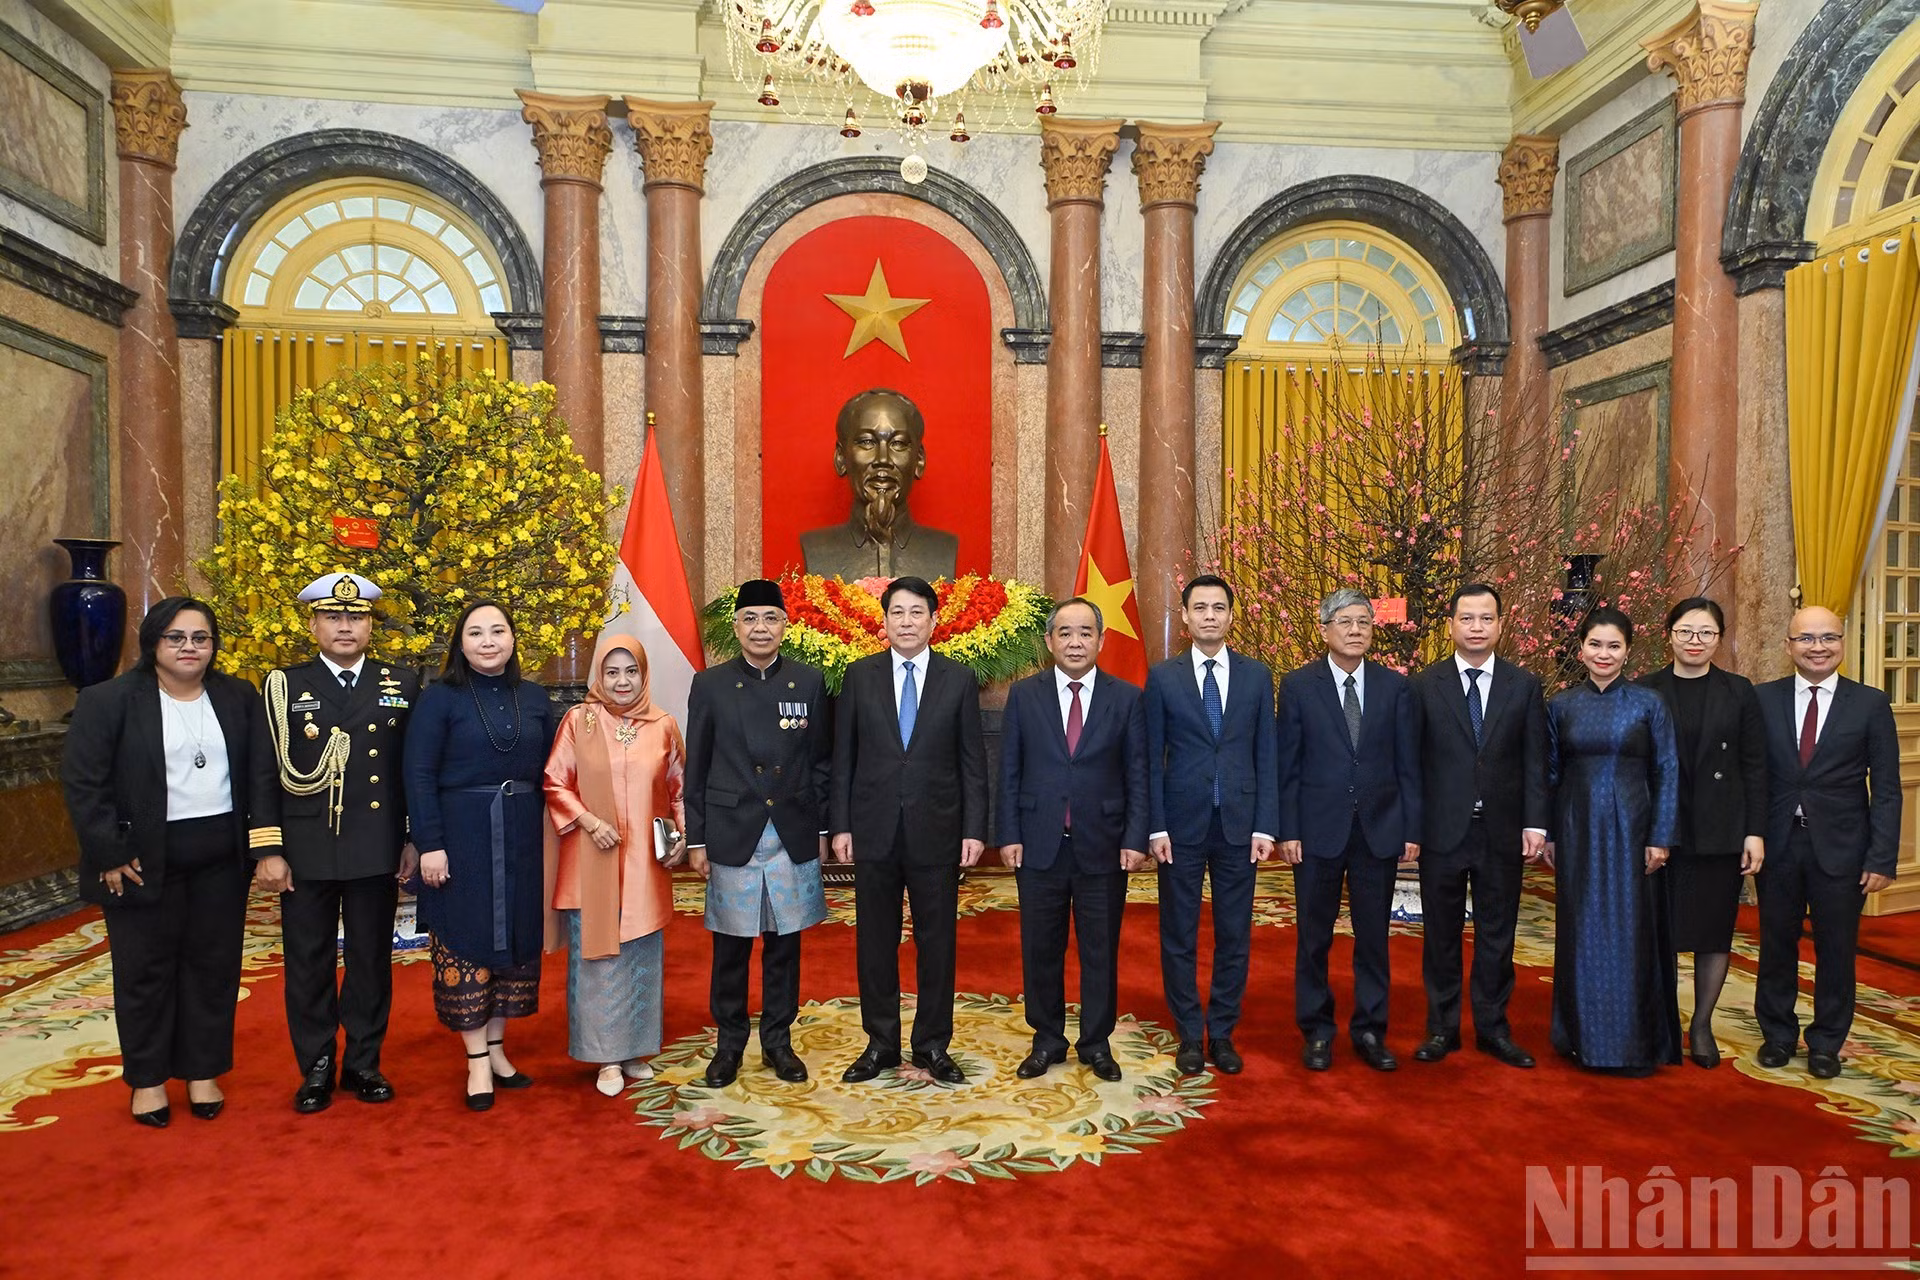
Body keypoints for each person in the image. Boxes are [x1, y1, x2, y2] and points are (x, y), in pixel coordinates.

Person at [60, 597, 276, 1126]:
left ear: (213, 645)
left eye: (200, 638)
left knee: (213, 970)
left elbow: (261, 775)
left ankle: (203, 1073)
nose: (189, 648)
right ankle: (149, 1081)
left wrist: (264, 846)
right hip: (139, 859)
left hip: (221, 861)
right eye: (176, 637)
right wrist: (109, 850)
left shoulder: (238, 696)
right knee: (144, 972)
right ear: (153, 642)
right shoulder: (109, 700)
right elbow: (84, 783)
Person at [250, 572, 418, 1113]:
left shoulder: (403, 682)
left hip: (376, 845)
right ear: (314, 623)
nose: (345, 626)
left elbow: (410, 772)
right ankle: (317, 1065)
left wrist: (413, 838)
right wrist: (268, 849)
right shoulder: (282, 685)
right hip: (306, 849)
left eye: (356, 617)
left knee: (371, 960)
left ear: (371, 625)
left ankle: (364, 1062)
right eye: (333, 617)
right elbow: (262, 774)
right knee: (308, 961)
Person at [831, 575, 988, 1085]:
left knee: (937, 942)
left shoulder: (959, 679)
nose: (906, 622)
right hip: (873, 829)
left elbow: (972, 763)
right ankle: (880, 1043)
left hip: (937, 830)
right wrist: (840, 825)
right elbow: (843, 760)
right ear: (884, 621)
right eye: (897, 612)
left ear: (934, 621)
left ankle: (932, 1045)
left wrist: (974, 828)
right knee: (874, 942)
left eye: (916, 612)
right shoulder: (858, 676)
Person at [404, 600, 558, 1111]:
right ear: (460, 643)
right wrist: (430, 844)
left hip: (523, 836)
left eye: (498, 630)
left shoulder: (535, 697)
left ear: (514, 639)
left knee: (513, 940)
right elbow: (418, 775)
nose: (488, 641)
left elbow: (559, 769)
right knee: (465, 938)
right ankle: (475, 1061)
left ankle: (497, 1049)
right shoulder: (438, 698)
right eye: (475, 632)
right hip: (460, 836)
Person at [684, 579, 832, 1089]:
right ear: (737, 626)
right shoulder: (711, 684)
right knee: (730, 947)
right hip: (732, 831)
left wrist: (823, 826)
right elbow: (696, 767)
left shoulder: (809, 682)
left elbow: (821, 762)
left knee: (783, 945)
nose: (760, 628)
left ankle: (777, 1042)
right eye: (751, 619)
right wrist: (697, 838)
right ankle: (728, 1046)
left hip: (790, 831)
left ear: (785, 626)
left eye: (770, 618)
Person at [997, 597, 1149, 1083]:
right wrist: (1009, 834)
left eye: (1085, 632)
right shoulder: (1024, 696)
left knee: (1099, 947)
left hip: (1104, 844)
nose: (1075, 641)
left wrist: (1135, 837)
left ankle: (1096, 1041)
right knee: (1041, 946)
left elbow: (1138, 774)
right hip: (1039, 842)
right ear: (1049, 641)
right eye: (1065, 633)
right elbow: (1010, 771)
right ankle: (1047, 1038)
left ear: (1101, 640)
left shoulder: (1126, 698)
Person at [1276, 588, 1421, 1073]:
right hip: (1316, 831)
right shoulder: (1298, 686)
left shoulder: (1395, 687)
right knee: (1313, 937)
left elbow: (1408, 766)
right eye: (1345, 622)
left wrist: (1410, 827)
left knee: (1374, 938)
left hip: (1378, 830)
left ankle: (1370, 1031)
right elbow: (1288, 765)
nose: (1356, 630)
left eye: (1364, 622)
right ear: (1324, 630)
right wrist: (1288, 828)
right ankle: (1316, 1031)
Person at [1753, 606, 1901, 1080]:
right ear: (1788, 645)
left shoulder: (1870, 703)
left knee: (1836, 951)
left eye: (1828, 638)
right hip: (1777, 844)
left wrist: (1882, 856)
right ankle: (1777, 1034)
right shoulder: (1762, 699)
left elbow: (1888, 787)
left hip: (1844, 848)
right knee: (1776, 944)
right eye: (1806, 638)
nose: (1818, 647)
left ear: (1842, 643)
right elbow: (1750, 777)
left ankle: (1826, 1043)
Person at [1408, 583, 1548, 1070]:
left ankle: (1493, 1028)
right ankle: (1442, 1028)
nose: (1476, 628)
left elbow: (1536, 760)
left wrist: (1536, 823)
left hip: (1503, 831)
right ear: (1450, 625)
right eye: (1467, 619)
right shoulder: (1425, 685)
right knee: (1441, 935)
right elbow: (1413, 764)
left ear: (1501, 625)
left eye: (1486, 619)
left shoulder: (1524, 685)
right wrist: (1413, 826)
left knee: (1498, 934)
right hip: (1442, 831)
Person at [1144, 574, 1278, 1077]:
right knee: (1178, 933)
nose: (1209, 616)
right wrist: (1155, 826)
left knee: (1234, 934)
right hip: (1179, 828)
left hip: (1240, 826)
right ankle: (1187, 1033)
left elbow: (1267, 752)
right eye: (1199, 607)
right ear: (1184, 616)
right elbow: (1150, 756)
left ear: (1230, 615)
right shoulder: (1163, 677)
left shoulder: (1256, 676)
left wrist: (1266, 825)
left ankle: (1221, 1032)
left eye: (1218, 607)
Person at [543, 629, 684, 1097]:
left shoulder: (662, 723)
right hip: (591, 858)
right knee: (600, 960)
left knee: (641, 956)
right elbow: (554, 781)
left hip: (645, 864)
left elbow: (678, 788)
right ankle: (604, 1056)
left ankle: (633, 1050)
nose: (622, 681)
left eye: (631, 671)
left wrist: (681, 836)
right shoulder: (579, 720)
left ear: (643, 674)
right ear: (598, 675)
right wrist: (587, 820)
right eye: (611, 671)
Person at [1545, 607, 1682, 1076]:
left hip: (1634, 831)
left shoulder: (1649, 704)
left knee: (1631, 931)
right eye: (1595, 645)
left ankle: (1633, 1041)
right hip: (1576, 828)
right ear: (1580, 648)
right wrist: (1548, 834)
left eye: (1614, 646)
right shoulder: (1561, 705)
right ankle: (1581, 1038)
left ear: (1629, 650)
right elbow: (1549, 774)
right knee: (1580, 931)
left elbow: (1668, 771)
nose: (1604, 654)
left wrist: (1661, 836)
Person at [1637, 597, 1766, 1069]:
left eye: (1706, 633)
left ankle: (1703, 1023)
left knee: (1713, 934)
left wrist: (1755, 832)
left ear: (1720, 638)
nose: (1696, 641)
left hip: (1719, 832)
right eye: (1687, 632)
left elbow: (1754, 765)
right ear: (1668, 634)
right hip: (1662, 831)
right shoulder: (1644, 689)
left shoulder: (1738, 691)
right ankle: (1666, 1021)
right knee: (1662, 932)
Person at [798, 389, 961, 581]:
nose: (883, 459)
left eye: (898, 443)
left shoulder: (943, 549)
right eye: (867, 442)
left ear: (919, 460)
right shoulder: (816, 548)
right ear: (841, 458)